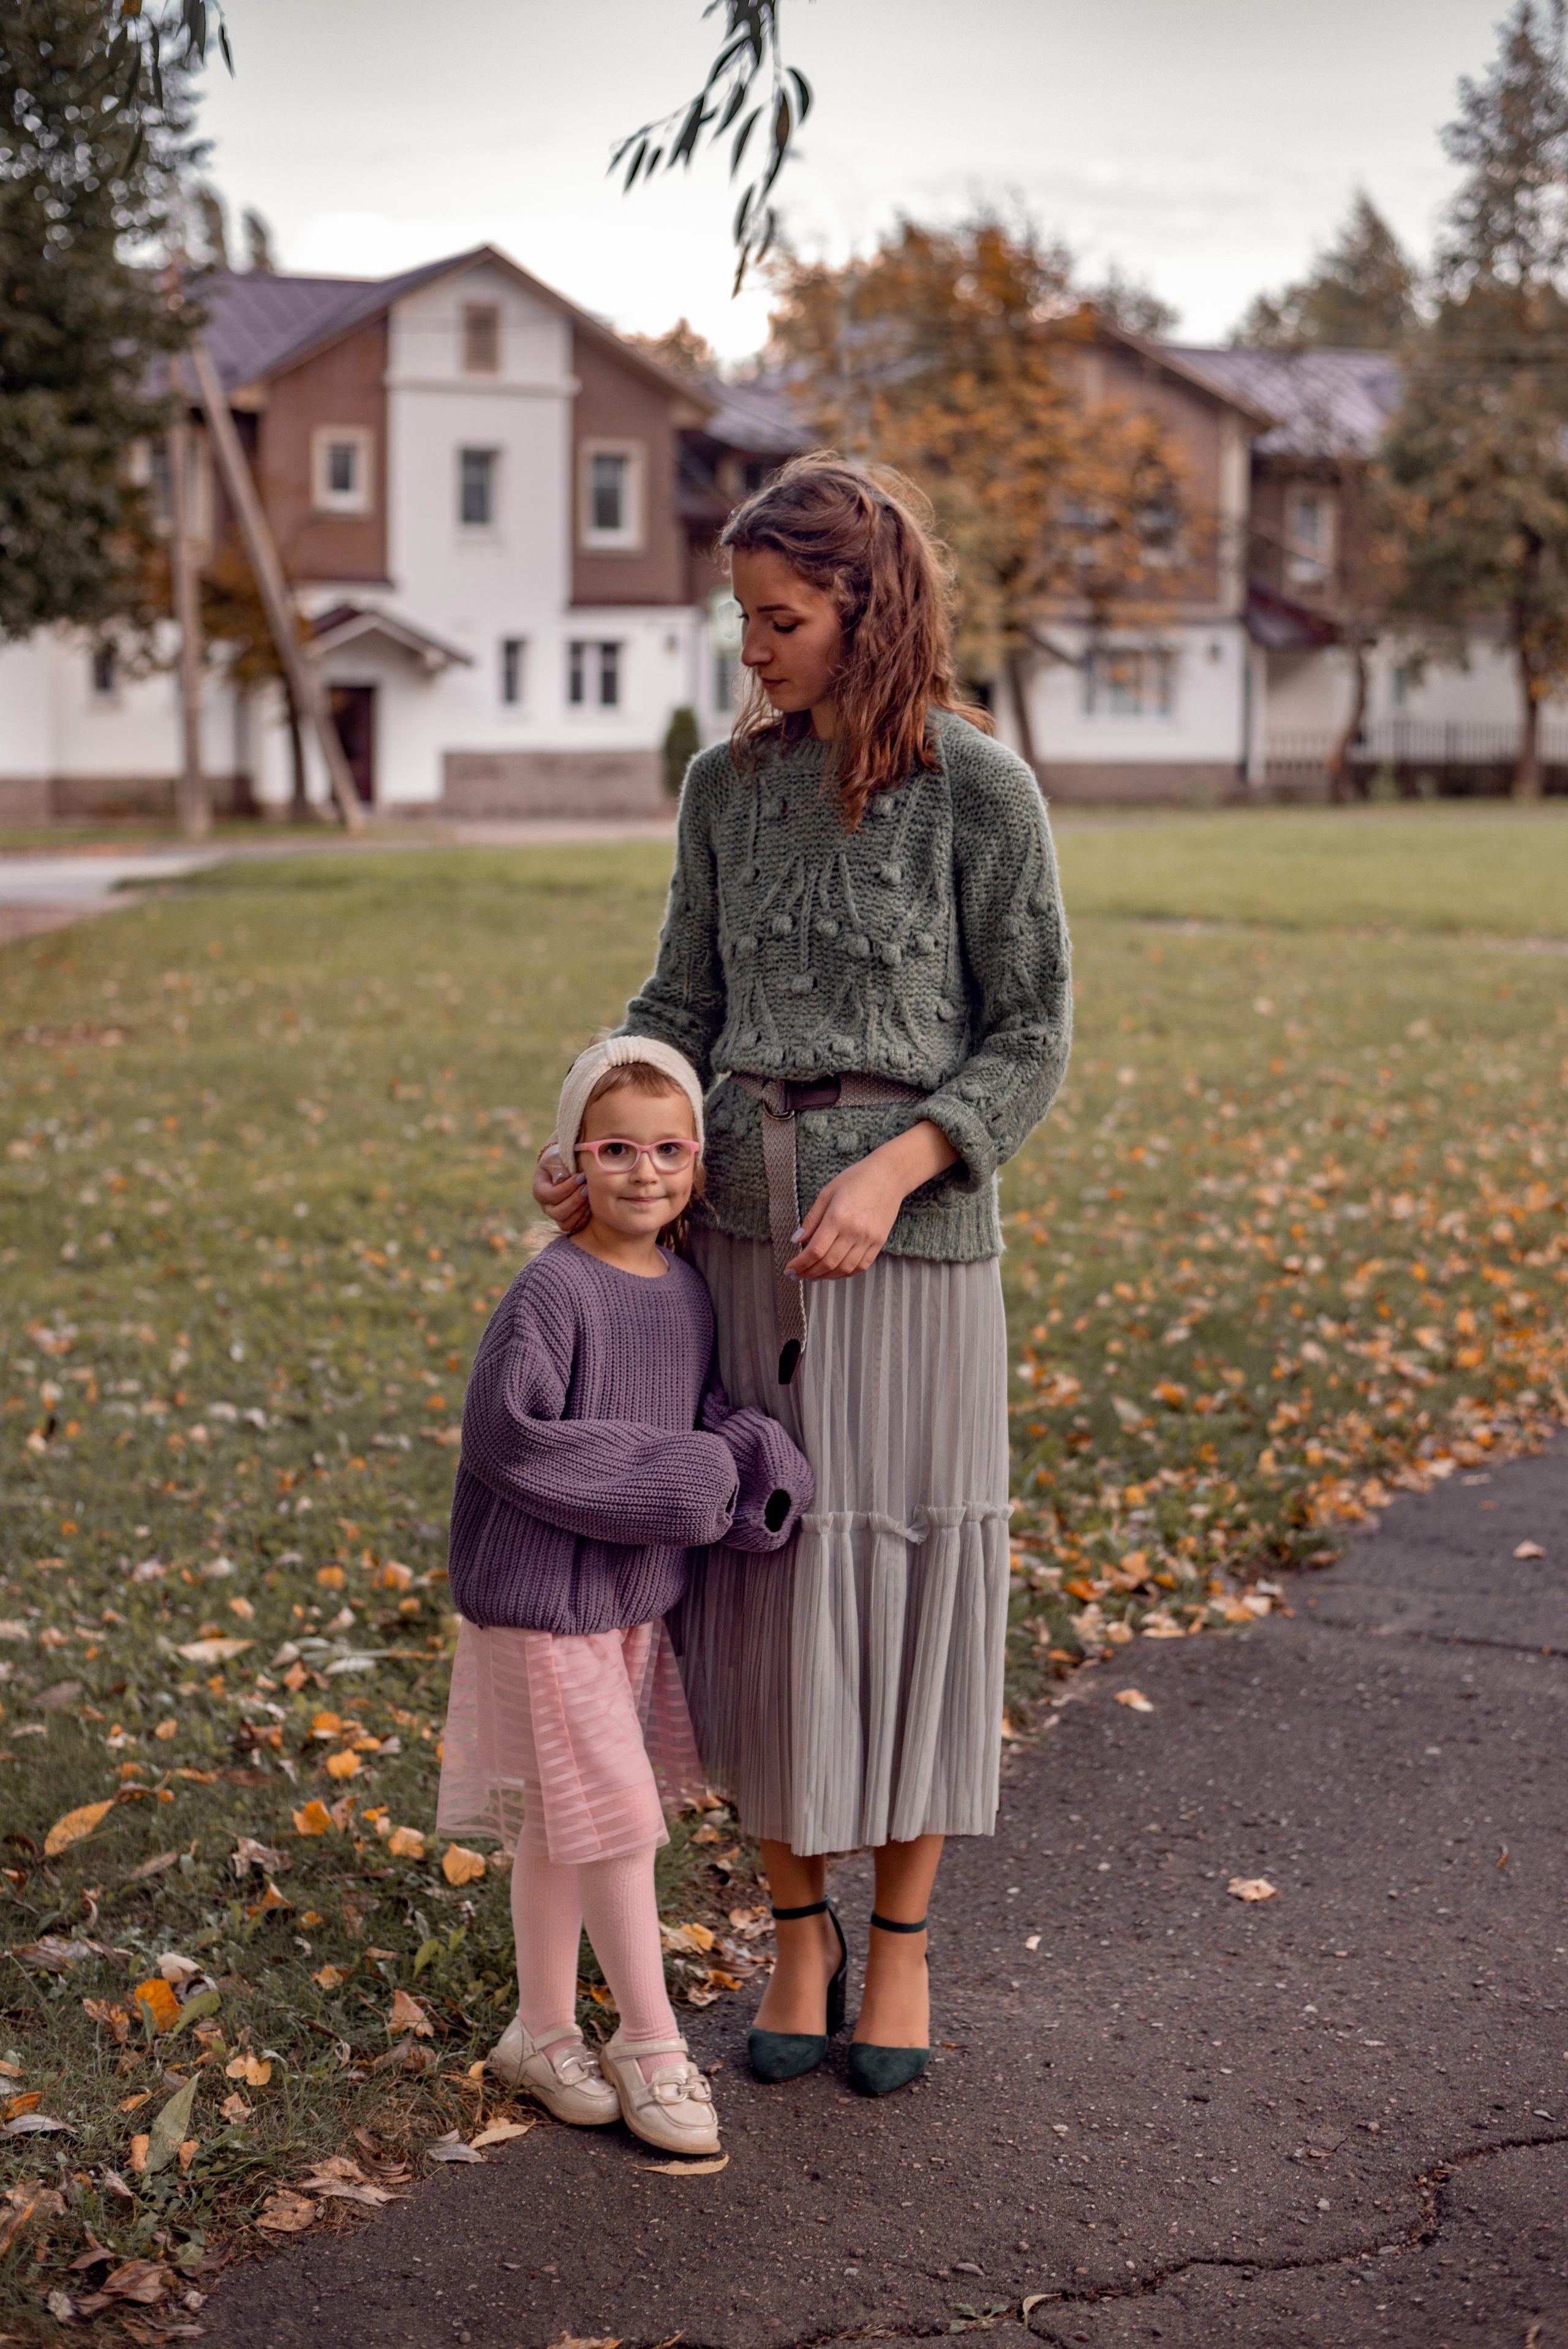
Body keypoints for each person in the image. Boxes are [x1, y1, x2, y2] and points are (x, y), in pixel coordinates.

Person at [535, 454, 1071, 2097]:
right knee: (758, 1577)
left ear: (869, 606)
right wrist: (604, 1132)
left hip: (914, 1257)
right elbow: (678, 1001)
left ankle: (897, 1940)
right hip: (739, 1244)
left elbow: (1030, 1031)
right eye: (742, 619)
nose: (753, 648)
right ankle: (794, 1927)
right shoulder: (725, 787)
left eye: (780, 619)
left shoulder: (981, 791)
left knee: (906, 1579)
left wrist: (904, 1166)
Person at [438, 1036, 813, 2154]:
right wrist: (690, 1478)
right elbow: (510, 1435)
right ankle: (651, 2040)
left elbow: (684, 1415)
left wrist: (745, 1463)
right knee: (615, 1821)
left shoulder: (686, 1290)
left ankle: (540, 2030)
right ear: (572, 1157)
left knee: (561, 1825)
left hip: (628, 1601)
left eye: (667, 1149)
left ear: (697, 1161)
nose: (643, 1172)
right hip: (541, 1599)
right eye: (615, 1149)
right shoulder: (552, 1290)